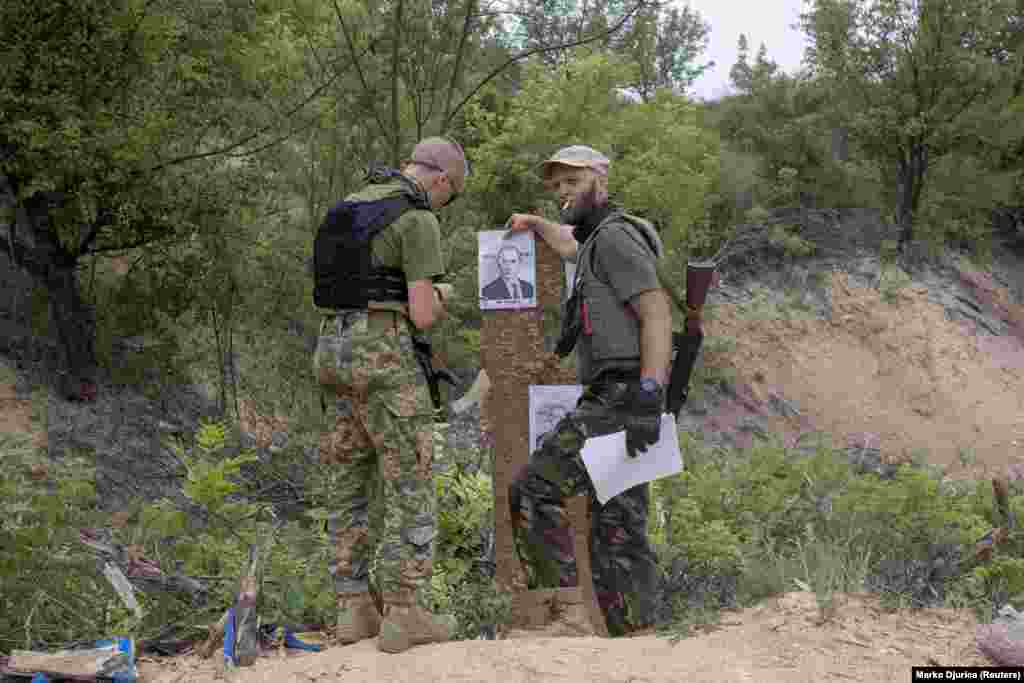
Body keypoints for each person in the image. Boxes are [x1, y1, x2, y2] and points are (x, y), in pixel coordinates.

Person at [505, 145, 672, 635]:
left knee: (535, 489)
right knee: (617, 528)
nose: (561, 192)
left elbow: (657, 312)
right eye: (555, 185)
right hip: (621, 395)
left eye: (571, 182)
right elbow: (571, 245)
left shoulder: (617, 238)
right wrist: (537, 223)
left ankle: (566, 615)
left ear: (600, 179)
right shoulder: (599, 238)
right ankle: (639, 639)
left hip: (623, 396)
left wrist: (648, 392)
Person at [310, 137, 467, 653]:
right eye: (452, 193)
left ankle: (352, 607)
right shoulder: (417, 218)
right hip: (383, 352)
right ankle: (404, 611)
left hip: (331, 349)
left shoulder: (346, 206)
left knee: (348, 476)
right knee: (411, 476)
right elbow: (422, 314)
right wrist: (443, 294)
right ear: (440, 179)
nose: (445, 202)